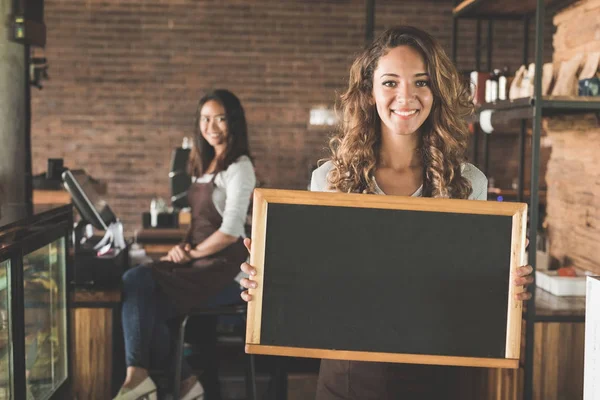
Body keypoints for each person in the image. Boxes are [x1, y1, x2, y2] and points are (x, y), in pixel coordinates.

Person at [238, 26, 534, 400]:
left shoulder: (468, 183)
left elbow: (469, 289)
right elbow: (315, 281)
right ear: (369, 92)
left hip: (439, 375)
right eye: (390, 82)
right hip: (348, 374)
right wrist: (267, 283)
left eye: (421, 82)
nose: (405, 96)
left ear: (436, 92)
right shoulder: (329, 180)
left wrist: (503, 286)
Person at [114, 89, 256, 400]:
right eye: (206, 119)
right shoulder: (206, 164)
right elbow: (197, 225)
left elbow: (230, 232)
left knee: (134, 279)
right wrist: (182, 250)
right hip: (198, 261)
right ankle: (185, 383)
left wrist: (187, 254)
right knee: (145, 306)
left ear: (233, 122)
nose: (212, 126)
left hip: (224, 270)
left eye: (220, 118)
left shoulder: (239, 167)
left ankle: (138, 380)